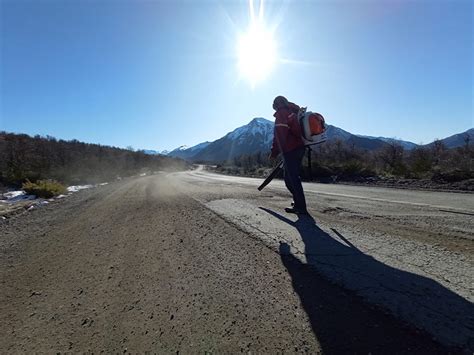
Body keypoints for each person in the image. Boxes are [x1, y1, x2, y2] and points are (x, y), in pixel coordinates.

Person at [270, 96, 308, 215]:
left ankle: (300, 207)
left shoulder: (282, 113)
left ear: (277, 105)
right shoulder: (294, 111)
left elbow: (280, 135)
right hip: (301, 148)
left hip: (290, 149)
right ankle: (298, 202)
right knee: (291, 178)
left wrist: (274, 152)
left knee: (291, 179)